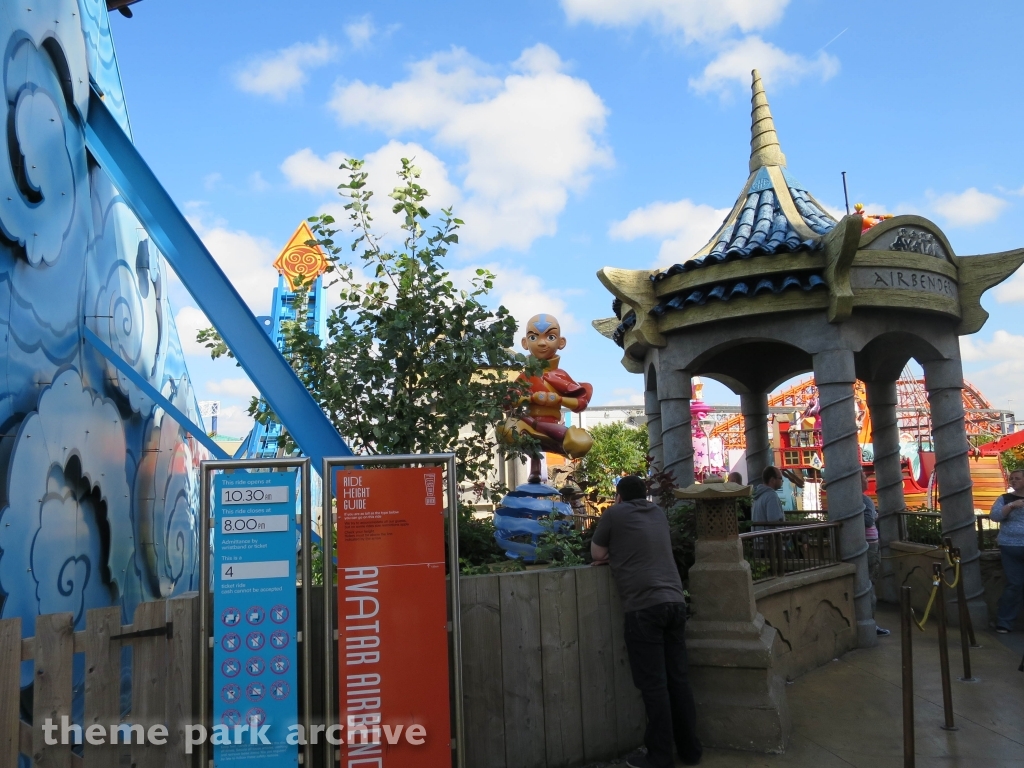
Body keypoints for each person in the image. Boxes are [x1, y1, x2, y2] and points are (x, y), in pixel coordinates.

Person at [591, 475, 701, 768]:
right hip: (675, 602)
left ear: (619, 497)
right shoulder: (658, 514)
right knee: (678, 679)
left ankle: (660, 757)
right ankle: (691, 751)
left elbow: (597, 553)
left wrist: (617, 554)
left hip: (644, 608)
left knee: (654, 685)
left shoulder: (614, 514)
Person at [990, 469, 1024, 633]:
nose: (1013, 481)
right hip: (1011, 546)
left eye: (1017, 478)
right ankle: (1004, 622)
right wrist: (1011, 506)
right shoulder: (1005, 499)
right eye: (1012, 479)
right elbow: (995, 516)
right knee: (1014, 584)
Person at [862, 471, 890, 636]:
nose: (867, 480)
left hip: (864, 545)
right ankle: (870, 623)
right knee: (870, 584)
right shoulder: (865, 499)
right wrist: (874, 514)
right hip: (870, 547)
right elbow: (867, 521)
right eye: (864, 477)